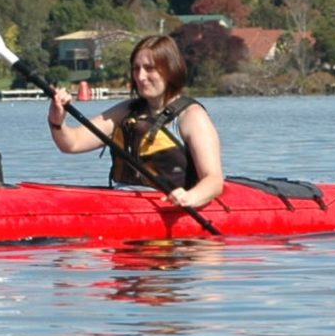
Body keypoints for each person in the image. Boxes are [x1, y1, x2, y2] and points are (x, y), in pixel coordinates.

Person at [47, 33, 223, 209]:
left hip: (170, 206)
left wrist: (190, 197)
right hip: (122, 202)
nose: (140, 76)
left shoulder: (192, 116)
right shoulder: (125, 111)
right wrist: (57, 122)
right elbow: (72, 143)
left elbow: (213, 179)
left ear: (171, 70)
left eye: (149, 68)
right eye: (136, 68)